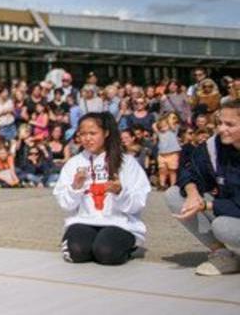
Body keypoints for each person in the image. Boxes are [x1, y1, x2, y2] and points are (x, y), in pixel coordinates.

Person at [53, 112, 150, 266]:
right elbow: (65, 204)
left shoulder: (126, 162)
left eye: (93, 133)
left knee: (107, 253)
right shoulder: (74, 163)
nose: (87, 138)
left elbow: (138, 202)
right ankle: (91, 243)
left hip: (118, 222)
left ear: (106, 133)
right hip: (85, 220)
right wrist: (75, 187)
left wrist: (120, 192)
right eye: (83, 134)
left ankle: (125, 245)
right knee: (76, 252)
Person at [167, 100, 240, 276]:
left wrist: (207, 206)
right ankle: (223, 256)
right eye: (220, 123)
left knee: (222, 226)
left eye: (230, 124)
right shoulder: (214, 145)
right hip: (227, 207)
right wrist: (192, 192)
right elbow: (188, 169)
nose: (222, 129)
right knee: (175, 195)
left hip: (233, 211)